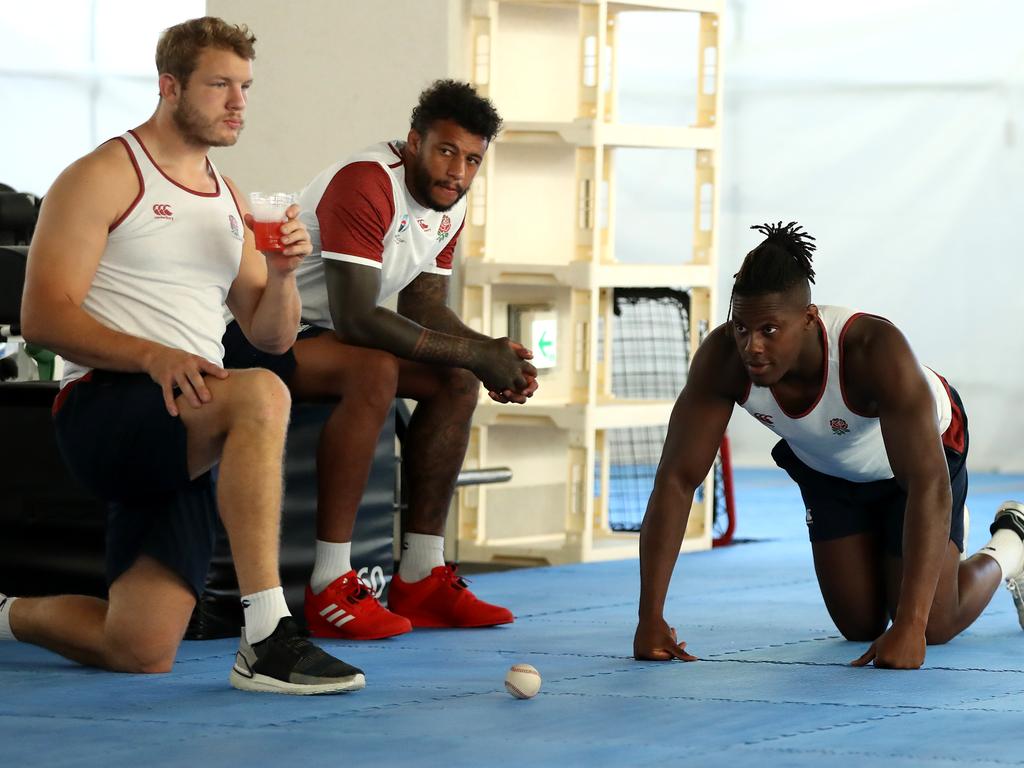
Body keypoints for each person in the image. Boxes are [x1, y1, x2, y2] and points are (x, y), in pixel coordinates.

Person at [0, 17, 363, 695]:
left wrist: (283, 274)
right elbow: (42, 315)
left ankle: (7, 615)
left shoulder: (228, 198)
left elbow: (272, 335)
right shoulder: (105, 174)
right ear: (170, 87)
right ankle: (267, 635)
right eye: (220, 84)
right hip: (109, 407)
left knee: (139, 648)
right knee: (261, 393)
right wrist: (152, 356)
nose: (238, 102)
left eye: (246, 86)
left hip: (187, 416)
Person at [222, 79, 537, 640]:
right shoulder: (367, 183)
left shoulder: (449, 205)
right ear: (413, 142)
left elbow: (423, 308)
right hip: (262, 332)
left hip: (326, 336)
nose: (457, 171)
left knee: (458, 382)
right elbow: (359, 319)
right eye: (445, 151)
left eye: (471, 159)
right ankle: (329, 584)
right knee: (375, 366)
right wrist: (477, 351)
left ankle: (421, 573)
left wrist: (491, 354)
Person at [633, 221, 1024, 670]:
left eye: (769, 330)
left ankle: (1012, 543)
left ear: (809, 319)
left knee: (931, 624)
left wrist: (912, 627)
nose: (751, 347)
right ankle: (904, 552)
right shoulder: (723, 359)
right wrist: (650, 617)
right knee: (859, 625)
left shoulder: (872, 350)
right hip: (827, 468)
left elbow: (927, 484)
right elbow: (677, 481)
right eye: (740, 327)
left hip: (919, 468)